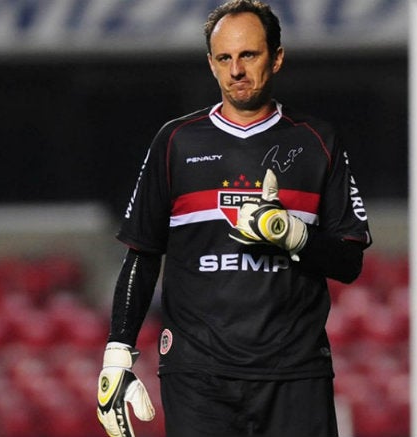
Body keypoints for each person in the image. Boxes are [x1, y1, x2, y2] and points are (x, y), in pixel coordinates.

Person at [96, 1, 372, 436]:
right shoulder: (175, 143)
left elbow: (349, 260)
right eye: (224, 58)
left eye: (249, 55)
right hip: (197, 377)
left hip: (295, 373)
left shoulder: (318, 141)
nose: (236, 70)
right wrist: (118, 354)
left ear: (276, 57)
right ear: (211, 63)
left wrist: (294, 235)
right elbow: (142, 253)